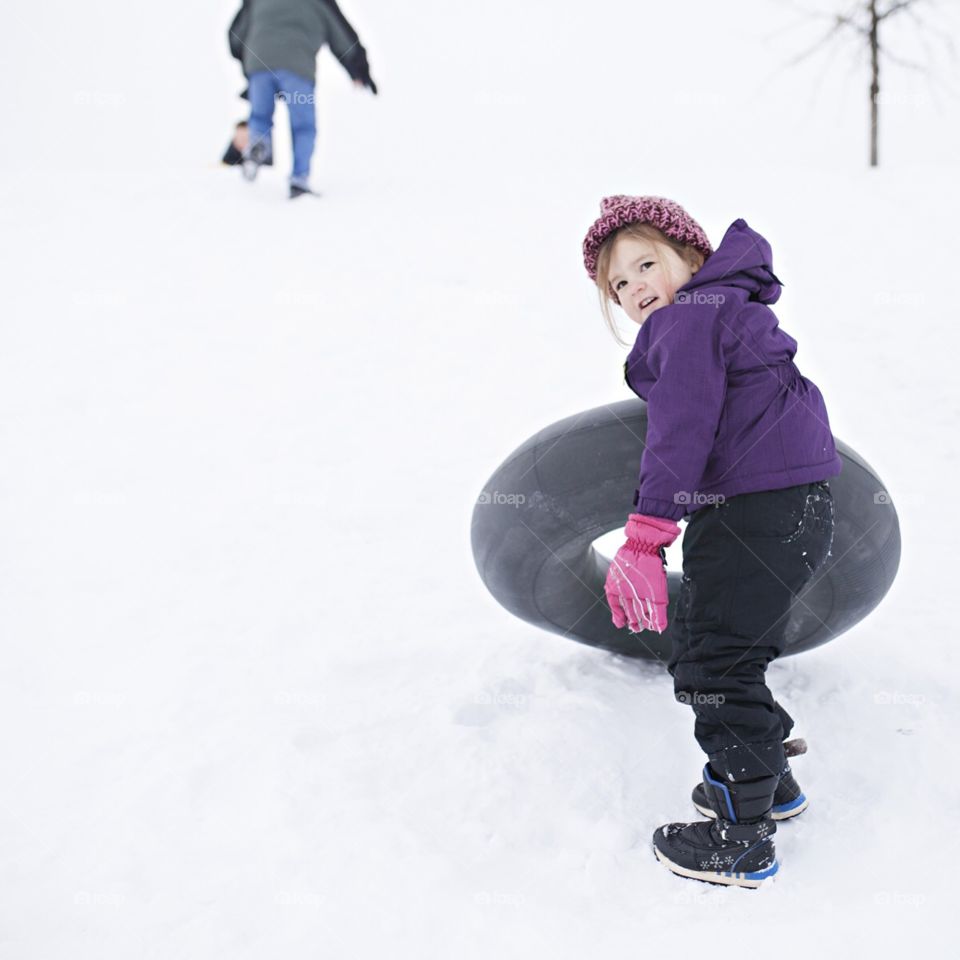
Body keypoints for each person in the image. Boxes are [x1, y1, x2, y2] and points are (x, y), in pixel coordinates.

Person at [582, 195, 842, 888]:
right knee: (729, 650)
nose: (637, 289)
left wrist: (645, 538)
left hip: (750, 511)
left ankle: (741, 838)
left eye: (646, 265)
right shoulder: (731, 310)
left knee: (712, 669)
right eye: (620, 285)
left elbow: (683, 426)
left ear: (690, 258)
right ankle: (770, 784)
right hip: (797, 510)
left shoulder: (687, 321)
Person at [227, 0, 377, 198]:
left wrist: (246, 57)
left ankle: (258, 145)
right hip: (297, 67)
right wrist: (359, 69)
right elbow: (343, 37)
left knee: (260, 115)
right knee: (303, 126)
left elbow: (235, 35)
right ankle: (299, 179)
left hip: (259, 62)